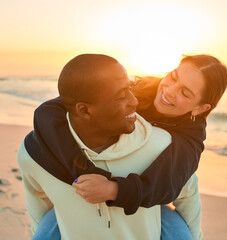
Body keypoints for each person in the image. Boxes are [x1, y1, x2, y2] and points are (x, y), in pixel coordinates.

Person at [18, 54, 205, 240]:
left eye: (186, 93)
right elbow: (59, 105)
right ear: (84, 110)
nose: (134, 102)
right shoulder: (34, 154)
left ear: (201, 108)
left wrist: (115, 189)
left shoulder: (166, 147)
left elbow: (187, 193)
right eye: (122, 95)